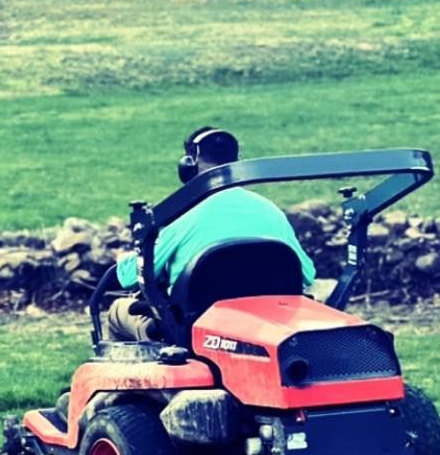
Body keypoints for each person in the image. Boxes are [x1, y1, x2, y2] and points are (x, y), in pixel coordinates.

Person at [107, 126, 316, 342]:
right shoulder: (271, 211)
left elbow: (131, 277)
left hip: (195, 331)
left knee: (117, 312)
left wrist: (124, 260)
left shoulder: (183, 215)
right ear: (238, 164)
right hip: (269, 327)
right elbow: (308, 274)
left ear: (188, 166)